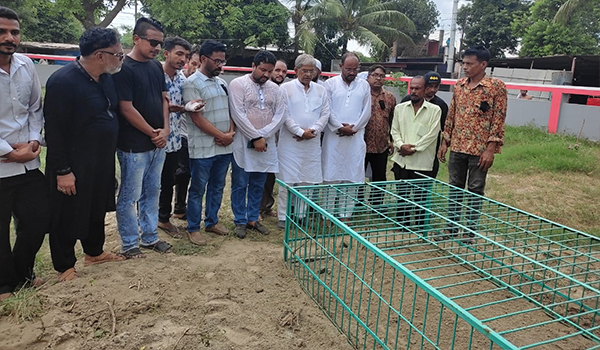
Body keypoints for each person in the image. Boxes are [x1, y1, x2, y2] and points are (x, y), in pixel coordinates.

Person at [44, 27, 126, 282]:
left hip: (101, 159)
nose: (121, 58)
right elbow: (54, 132)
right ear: (100, 55)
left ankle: (94, 252)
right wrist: (62, 171)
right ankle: (65, 265)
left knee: (96, 207)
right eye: (118, 54)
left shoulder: (107, 78)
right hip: (72, 163)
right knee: (66, 213)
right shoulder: (62, 82)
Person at [113, 17, 172, 258]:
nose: (157, 47)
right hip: (132, 145)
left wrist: (166, 129)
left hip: (158, 142)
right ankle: (129, 243)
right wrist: (152, 132)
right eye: (152, 42)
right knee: (130, 195)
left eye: (160, 43)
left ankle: (150, 237)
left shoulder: (156, 67)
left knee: (153, 190)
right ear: (136, 39)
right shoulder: (122, 68)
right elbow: (126, 108)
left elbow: (164, 99)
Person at [0, 6, 48, 300]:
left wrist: (33, 141)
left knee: (39, 219)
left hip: (29, 162)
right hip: (3, 164)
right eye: (2, 32)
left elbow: (34, 107)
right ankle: (4, 284)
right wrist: (8, 151)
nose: (9, 37)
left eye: (14, 32)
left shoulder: (25, 64)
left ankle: (23, 273)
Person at [438, 46, 507, 243]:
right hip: (458, 146)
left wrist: (491, 149)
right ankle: (451, 228)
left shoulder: (495, 87)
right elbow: (452, 115)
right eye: (463, 63)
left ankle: (469, 232)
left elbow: (498, 119)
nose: (465, 67)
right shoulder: (459, 86)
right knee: (454, 188)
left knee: (475, 189)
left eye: (469, 63)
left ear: (483, 64)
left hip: (479, 150)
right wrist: (445, 141)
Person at [229, 50, 287, 238]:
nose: (267, 75)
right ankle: (239, 220)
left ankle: (253, 218)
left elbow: (280, 115)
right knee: (240, 182)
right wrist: (254, 137)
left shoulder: (275, 89)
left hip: (265, 143)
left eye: (270, 71)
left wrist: (263, 135)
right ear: (253, 66)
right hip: (243, 141)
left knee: (258, 182)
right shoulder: (238, 84)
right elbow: (238, 113)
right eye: (263, 70)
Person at [182, 40, 234, 245]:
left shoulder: (222, 83)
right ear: (203, 59)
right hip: (203, 148)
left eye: (223, 60)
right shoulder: (192, 83)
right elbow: (197, 118)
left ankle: (212, 221)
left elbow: (230, 111)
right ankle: (193, 227)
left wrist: (230, 132)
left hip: (224, 146)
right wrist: (221, 136)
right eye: (217, 60)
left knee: (218, 185)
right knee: (197, 188)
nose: (221, 65)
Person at [276, 54, 330, 229]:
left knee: (307, 181)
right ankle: (283, 217)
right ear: (296, 70)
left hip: (312, 143)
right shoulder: (285, 89)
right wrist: (299, 131)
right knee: (287, 181)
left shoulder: (321, 90)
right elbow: (284, 114)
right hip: (290, 143)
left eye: (311, 71)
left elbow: (325, 114)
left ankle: (301, 215)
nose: (308, 74)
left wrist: (312, 131)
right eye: (304, 70)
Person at [322, 52, 371, 222]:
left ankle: (345, 215)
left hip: (355, 137)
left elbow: (366, 111)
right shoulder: (329, 84)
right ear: (341, 66)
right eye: (348, 69)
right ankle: (327, 214)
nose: (351, 72)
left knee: (351, 175)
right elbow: (327, 109)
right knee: (331, 175)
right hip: (334, 137)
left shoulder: (364, 86)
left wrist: (354, 127)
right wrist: (339, 127)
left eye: (355, 69)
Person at [391, 76, 441, 230]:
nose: (413, 91)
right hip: (402, 160)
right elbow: (394, 130)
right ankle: (402, 224)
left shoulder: (435, 110)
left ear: (426, 90)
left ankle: (419, 226)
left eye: (417, 88)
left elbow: (432, 135)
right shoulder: (400, 108)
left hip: (422, 162)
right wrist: (401, 145)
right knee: (402, 195)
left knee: (420, 196)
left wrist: (413, 149)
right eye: (411, 88)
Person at [157, 37, 191, 238]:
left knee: (168, 180)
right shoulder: (154, 75)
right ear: (166, 53)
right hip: (154, 138)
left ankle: (163, 218)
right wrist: (167, 108)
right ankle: (144, 219)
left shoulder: (182, 80)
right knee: (149, 183)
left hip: (175, 139)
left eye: (186, 56)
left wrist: (189, 106)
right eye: (179, 54)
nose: (183, 59)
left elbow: (184, 105)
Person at [401, 71, 448, 178]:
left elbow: (442, 129)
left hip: (428, 151)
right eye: (430, 86)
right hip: (406, 150)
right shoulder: (407, 101)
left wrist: (444, 144)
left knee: (423, 189)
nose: (432, 89)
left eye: (436, 86)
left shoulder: (441, 105)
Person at [363, 64, 396, 205]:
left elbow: (393, 120)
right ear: (368, 77)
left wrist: (392, 140)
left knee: (380, 175)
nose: (378, 78)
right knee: (359, 175)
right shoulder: (362, 94)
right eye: (375, 75)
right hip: (362, 143)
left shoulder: (389, 97)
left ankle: (377, 203)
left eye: (382, 76)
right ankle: (357, 202)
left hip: (381, 144)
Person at [259, 59, 287, 221]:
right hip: (261, 137)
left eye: (284, 72)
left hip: (279, 140)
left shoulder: (282, 90)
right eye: (277, 70)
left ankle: (267, 206)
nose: (280, 74)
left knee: (271, 176)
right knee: (259, 174)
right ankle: (256, 208)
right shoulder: (262, 88)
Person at [173, 48, 198, 221]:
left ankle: (186, 207)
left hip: (198, 136)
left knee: (192, 174)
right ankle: (179, 208)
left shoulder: (201, 83)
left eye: (199, 64)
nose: (195, 68)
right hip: (180, 134)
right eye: (193, 63)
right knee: (182, 173)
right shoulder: (179, 81)